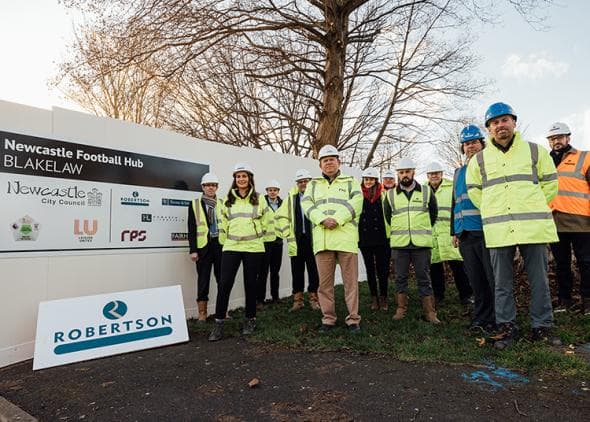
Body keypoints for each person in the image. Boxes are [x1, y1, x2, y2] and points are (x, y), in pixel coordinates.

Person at [466, 102, 560, 349]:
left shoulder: (535, 151)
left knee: (539, 280)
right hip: (499, 230)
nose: (500, 126)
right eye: (494, 123)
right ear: (489, 129)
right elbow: (475, 192)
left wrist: (533, 205)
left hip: (533, 228)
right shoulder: (480, 161)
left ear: (514, 123)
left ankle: (543, 326)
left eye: (504, 120)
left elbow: (550, 185)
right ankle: (506, 326)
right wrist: (491, 208)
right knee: (502, 282)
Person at [301, 145, 363, 333]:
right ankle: (328, 319)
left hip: (345, 239)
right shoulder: (313, 185)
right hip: (324, 240)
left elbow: (357, 203)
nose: (329, 163)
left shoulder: (351, 181)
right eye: (325, 160)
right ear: (320, 164)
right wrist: (322, 219)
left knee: (350, 283)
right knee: (325, 285)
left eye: (332, 159)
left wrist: (337, 219)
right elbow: (307, 204)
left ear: (339, 162)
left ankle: (353, 319)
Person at [208, 163, 273, 341]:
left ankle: (250, 319)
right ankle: (219, 322)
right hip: (231, 247)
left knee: (250, 285)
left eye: (244, 176)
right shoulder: (227, 200)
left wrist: (260, 237)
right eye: (238, 176)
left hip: (254, 248)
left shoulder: (260, 199)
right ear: (235, 180)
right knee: (224, 284)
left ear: (249, 178)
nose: (241, 179)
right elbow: (222, 223)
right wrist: (225, 242)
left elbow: (268, 220)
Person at [385, 157, 440, 324]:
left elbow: (433, 214)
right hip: (400, 244)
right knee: (400, 277)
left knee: (424, 277)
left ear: (413, 172)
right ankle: (401, 309)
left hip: (421, 243)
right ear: (398, 175)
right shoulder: (390, 195)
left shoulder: (426, 191)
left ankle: (430, 311)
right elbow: (388, 217)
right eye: (401, 172)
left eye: (407, 171)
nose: (404, 175)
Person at [451, 125, 496, 332]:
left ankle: (498, 319)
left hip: (486, 231)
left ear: (482, 144)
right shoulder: (459, 172)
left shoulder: (491, 164)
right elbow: (456, 203)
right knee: (476, 280)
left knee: (492, 278)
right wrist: (455, 231)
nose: (471, 146)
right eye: (467, 144)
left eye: (474, 142)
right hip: (465, 233)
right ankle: (481, 318)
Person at [546, 122, 590, 315]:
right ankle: (565, 299)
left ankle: (587, 300)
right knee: (561, 263)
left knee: (586, 262)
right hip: (554, 222)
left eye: (559, 137)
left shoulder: (584, 157)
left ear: (568, 138)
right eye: (553, 139)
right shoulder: (544, 162)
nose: (556, 141)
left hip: (581, 221)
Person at [425, 161, 472, 307]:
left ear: (441, 174)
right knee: (435, 269)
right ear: (428, 175)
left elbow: (458, 208)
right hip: (432, 235)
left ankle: (466, 295)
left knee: (458, 267)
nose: (434, 176)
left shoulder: (451, 187)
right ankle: (439, 296)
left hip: (449, 233)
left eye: (437, 173)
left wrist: (457, 231)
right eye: (432, 174)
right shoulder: (423, 190)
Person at [275, 169, 321, 311]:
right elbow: (280, 216)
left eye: (305, 181)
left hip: (313, 240)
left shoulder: (317, 196)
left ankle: (314, 299)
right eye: (300, 182)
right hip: (297, 240)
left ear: (310, 182)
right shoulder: (292, 197)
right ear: (297, 183)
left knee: (314, 270)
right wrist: (287, 233)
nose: (303, 184)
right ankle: (298, 300)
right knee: (297, 271)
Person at [188, 172, 223, 323]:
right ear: (203, 187)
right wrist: (193, 250)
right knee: (203, 280)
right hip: (203, 248)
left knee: (223, 280)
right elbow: (191, 229)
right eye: (208, 185)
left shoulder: (223, 203)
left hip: (221, 246)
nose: (211, 188)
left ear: (217, 187)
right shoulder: (195, 204)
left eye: (213, 185)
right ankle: (202, 313)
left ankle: (223, 310)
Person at [358, 167, 390, 311]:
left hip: (382, 239)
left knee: (383, 270)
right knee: (370, 269)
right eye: (366, 179)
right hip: (364, 239)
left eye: (371, 179)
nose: (368, 182)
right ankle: (374, 298)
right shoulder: (358, 195)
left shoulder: (384, 195)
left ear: (376, 181)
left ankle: (383, 297)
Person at [256, 179, 284, 306]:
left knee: (275, 271)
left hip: (278, 241)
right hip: (265, 241)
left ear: (278, 191)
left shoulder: (283, 204)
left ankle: (275, 297)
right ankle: (260, 299)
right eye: (270, 190)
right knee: (263, 272)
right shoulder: (261, 202)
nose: (272, 192)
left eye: (275, 190)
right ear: (267, 191)